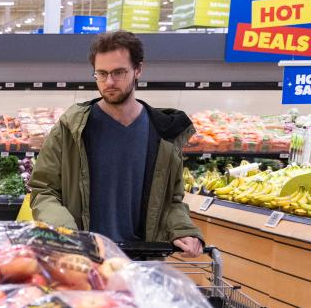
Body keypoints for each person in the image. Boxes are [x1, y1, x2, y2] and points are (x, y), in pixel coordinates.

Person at [29, 31, 203, 257]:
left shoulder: (163, 134)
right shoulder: (71, 128)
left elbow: (171, 201)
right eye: (101, 74)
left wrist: (183, 230)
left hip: (141, 261)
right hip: (83, 259)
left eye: (119, 72)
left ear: (138, 69)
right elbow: (44, 190)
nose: (109, 82)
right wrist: (67, 233)